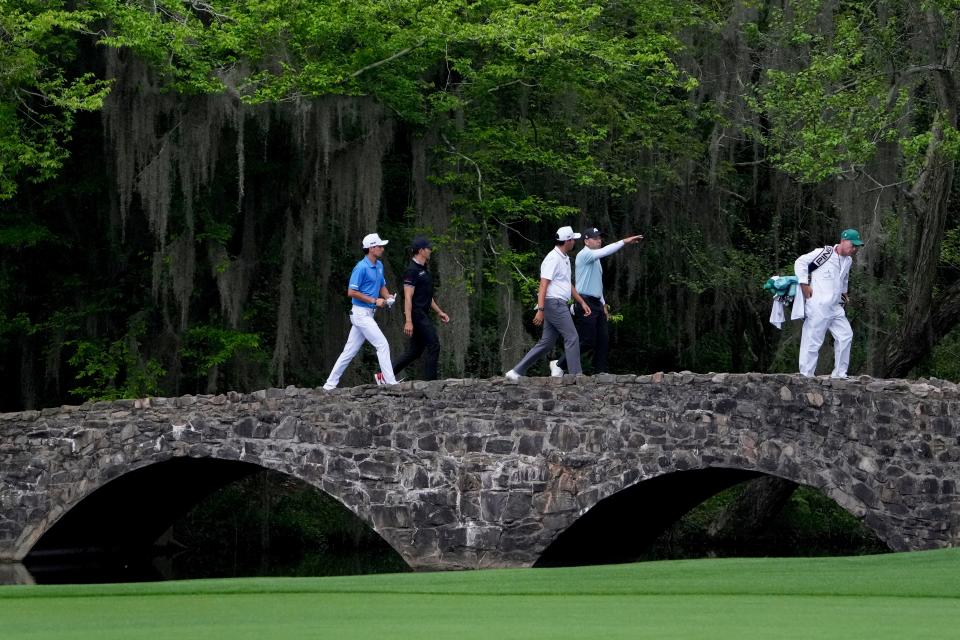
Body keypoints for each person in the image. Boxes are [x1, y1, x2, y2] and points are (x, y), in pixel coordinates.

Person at [552, 227, 643, 376]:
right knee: (588, 341)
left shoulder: (596, 260)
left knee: (603, 340)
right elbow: (606, 251)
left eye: (600, 238)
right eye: (595, 238)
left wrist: (603, 304)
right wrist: (624, 241)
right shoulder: (585, 254)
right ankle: (559, 364)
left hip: (597, 303)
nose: (599, 240)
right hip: (584, 302)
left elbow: (597, 284)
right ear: (586, 241)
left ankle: (601, 372)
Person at [505, 226, 592, 380]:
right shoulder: (553, 258)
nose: (574, 242)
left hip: (558, 303)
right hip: (554, 304)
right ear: (567, 241)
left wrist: (581, 302)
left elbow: (567, 284)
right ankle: (576, 376)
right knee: (572, 337)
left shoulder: (564, 258)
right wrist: (541, 309)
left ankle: (516, 371)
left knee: (546, 343)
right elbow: (543, 285)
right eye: (573, 239)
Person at [322, 233, 399, 390]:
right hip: (360, 314)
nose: (382, 249)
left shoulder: (379, 265)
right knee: (382, 344)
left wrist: (388, 297)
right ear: (371, 248)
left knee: (349, 352)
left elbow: (381, 286)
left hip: (368, 314)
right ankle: (391, 383)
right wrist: (374, 300)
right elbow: (351, 292)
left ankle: (329, 386)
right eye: (379, 246)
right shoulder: (361, 267)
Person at [794, 228, 865, 379]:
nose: (854, 249)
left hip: (835, 306)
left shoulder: (849, 260)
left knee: (846, 335)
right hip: (818, 305)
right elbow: (800, 262)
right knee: (813, 340)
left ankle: (839, 374)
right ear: (843, 241)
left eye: (856, 246)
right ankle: (806, 375)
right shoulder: (824, 253)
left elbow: (844, 278)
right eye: (853, 245)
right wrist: (804, 284)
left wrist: (844, 293)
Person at [382, 235, 450, 381]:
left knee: (415, 351)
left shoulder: (424, 270)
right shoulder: (412, 270)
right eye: (428, 248)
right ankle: (431, 382)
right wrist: (408, 321)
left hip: (423, 313)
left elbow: (427, 296)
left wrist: (439, 312)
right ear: (421, 251)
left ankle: (384, 376)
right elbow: (408, 297)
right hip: (416, 314)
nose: (430, 250)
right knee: (434, 344)